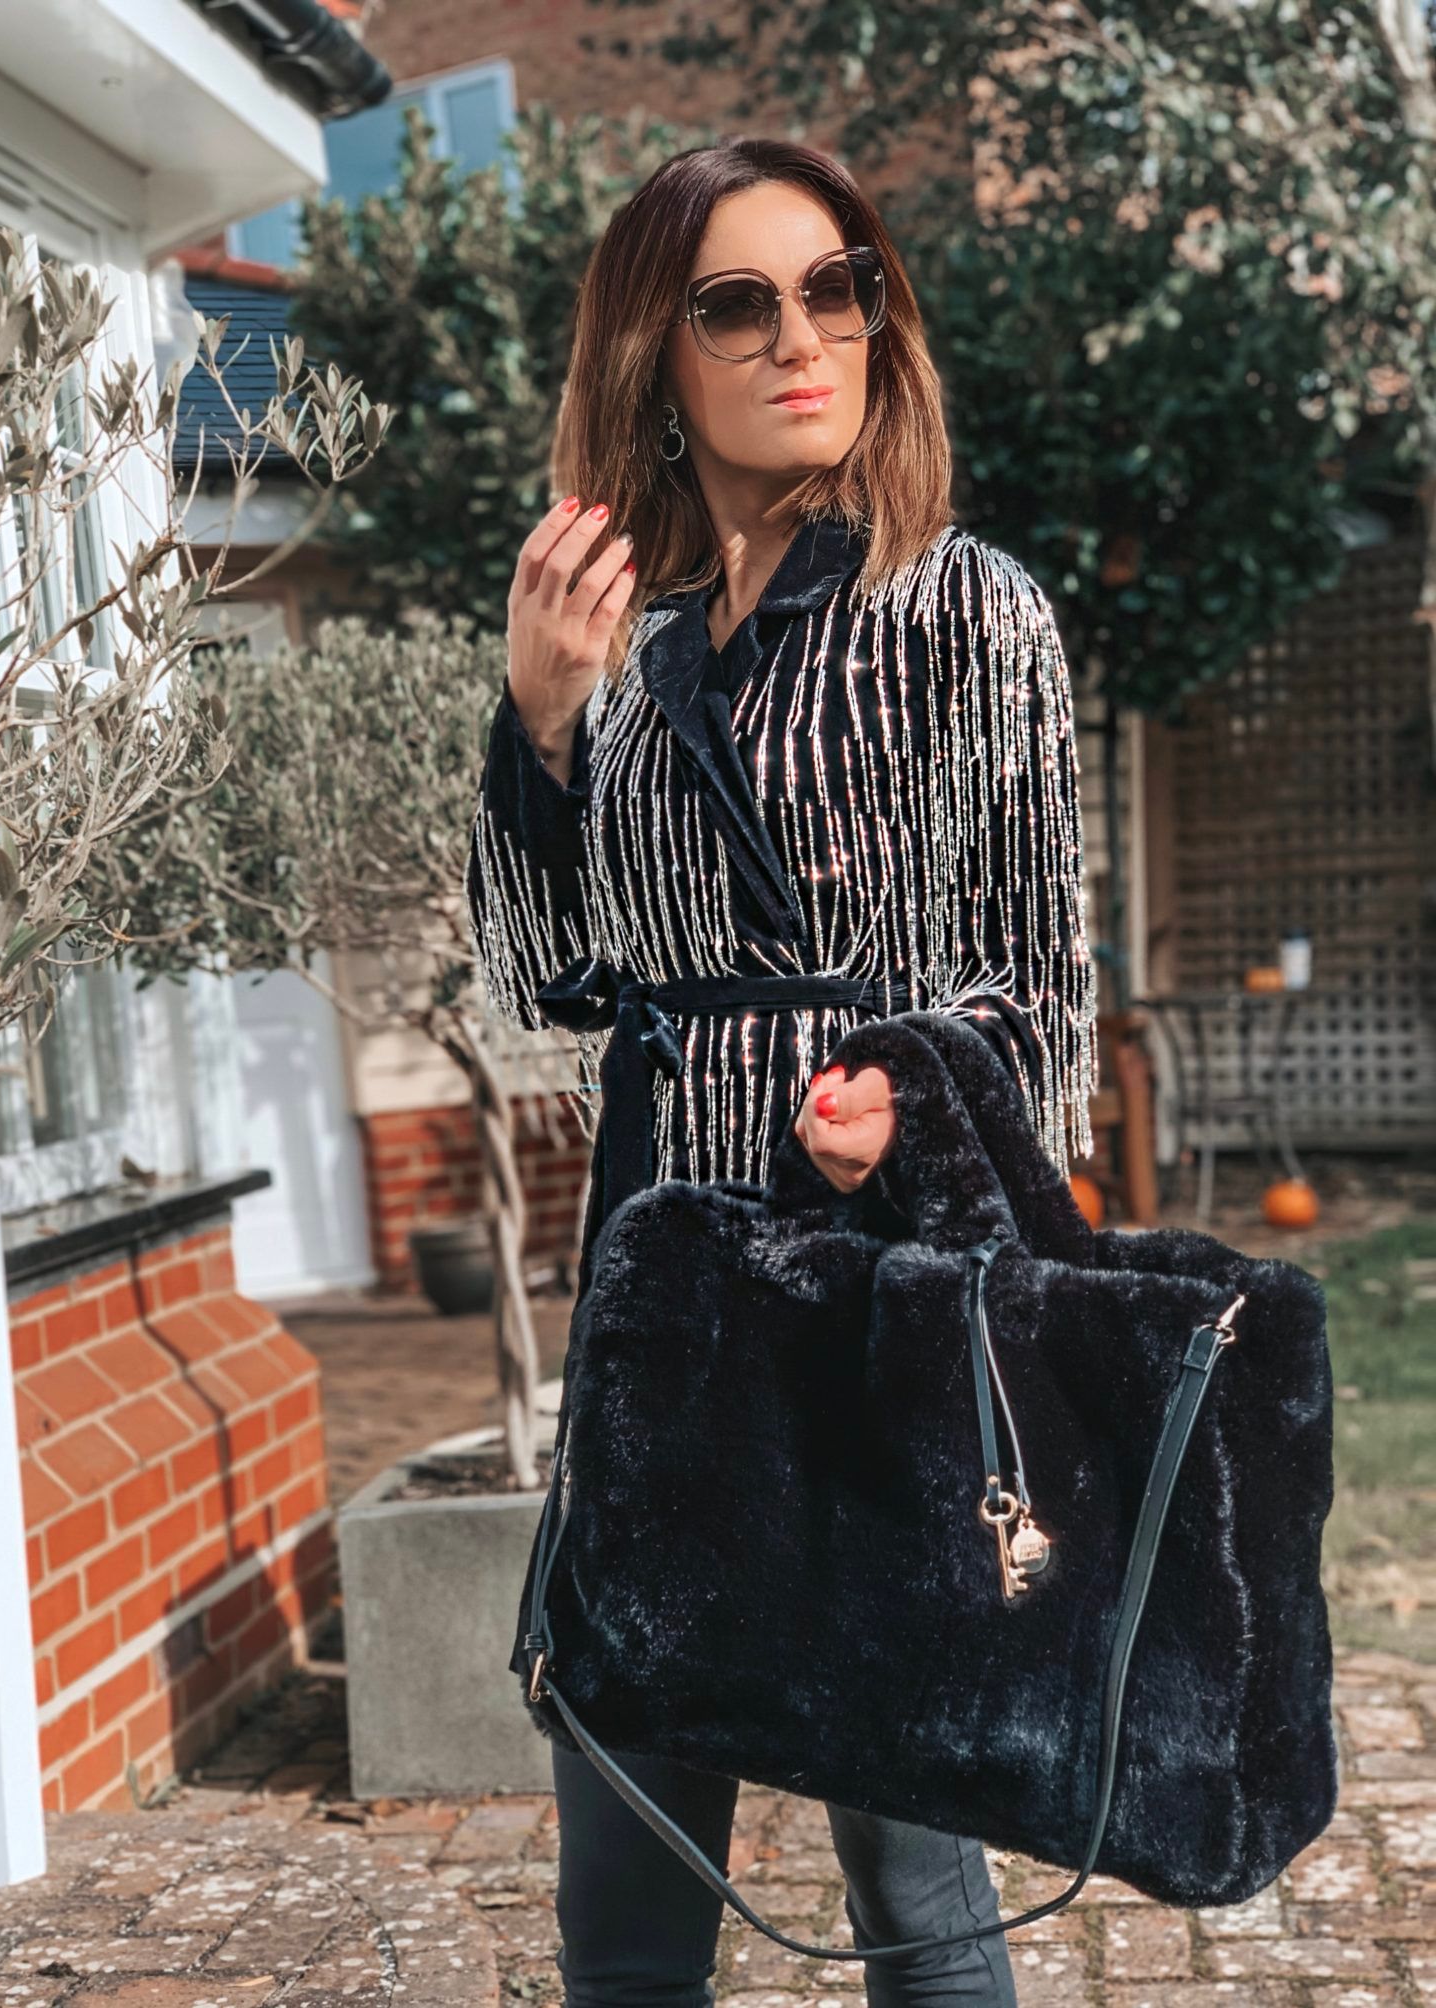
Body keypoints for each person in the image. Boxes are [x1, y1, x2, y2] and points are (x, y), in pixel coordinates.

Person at [464, 135, 1098, 2008]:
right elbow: (548, 976)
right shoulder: (625, 642)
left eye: (839, 288)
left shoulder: (967, 613)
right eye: (737, 304)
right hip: (664, 1281)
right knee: (627, 1864)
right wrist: (541, 724)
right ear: (654, 355)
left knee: (914, 1872)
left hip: (879, 1287)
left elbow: (1042, 985)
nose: (801, 337)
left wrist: (913, 1084)